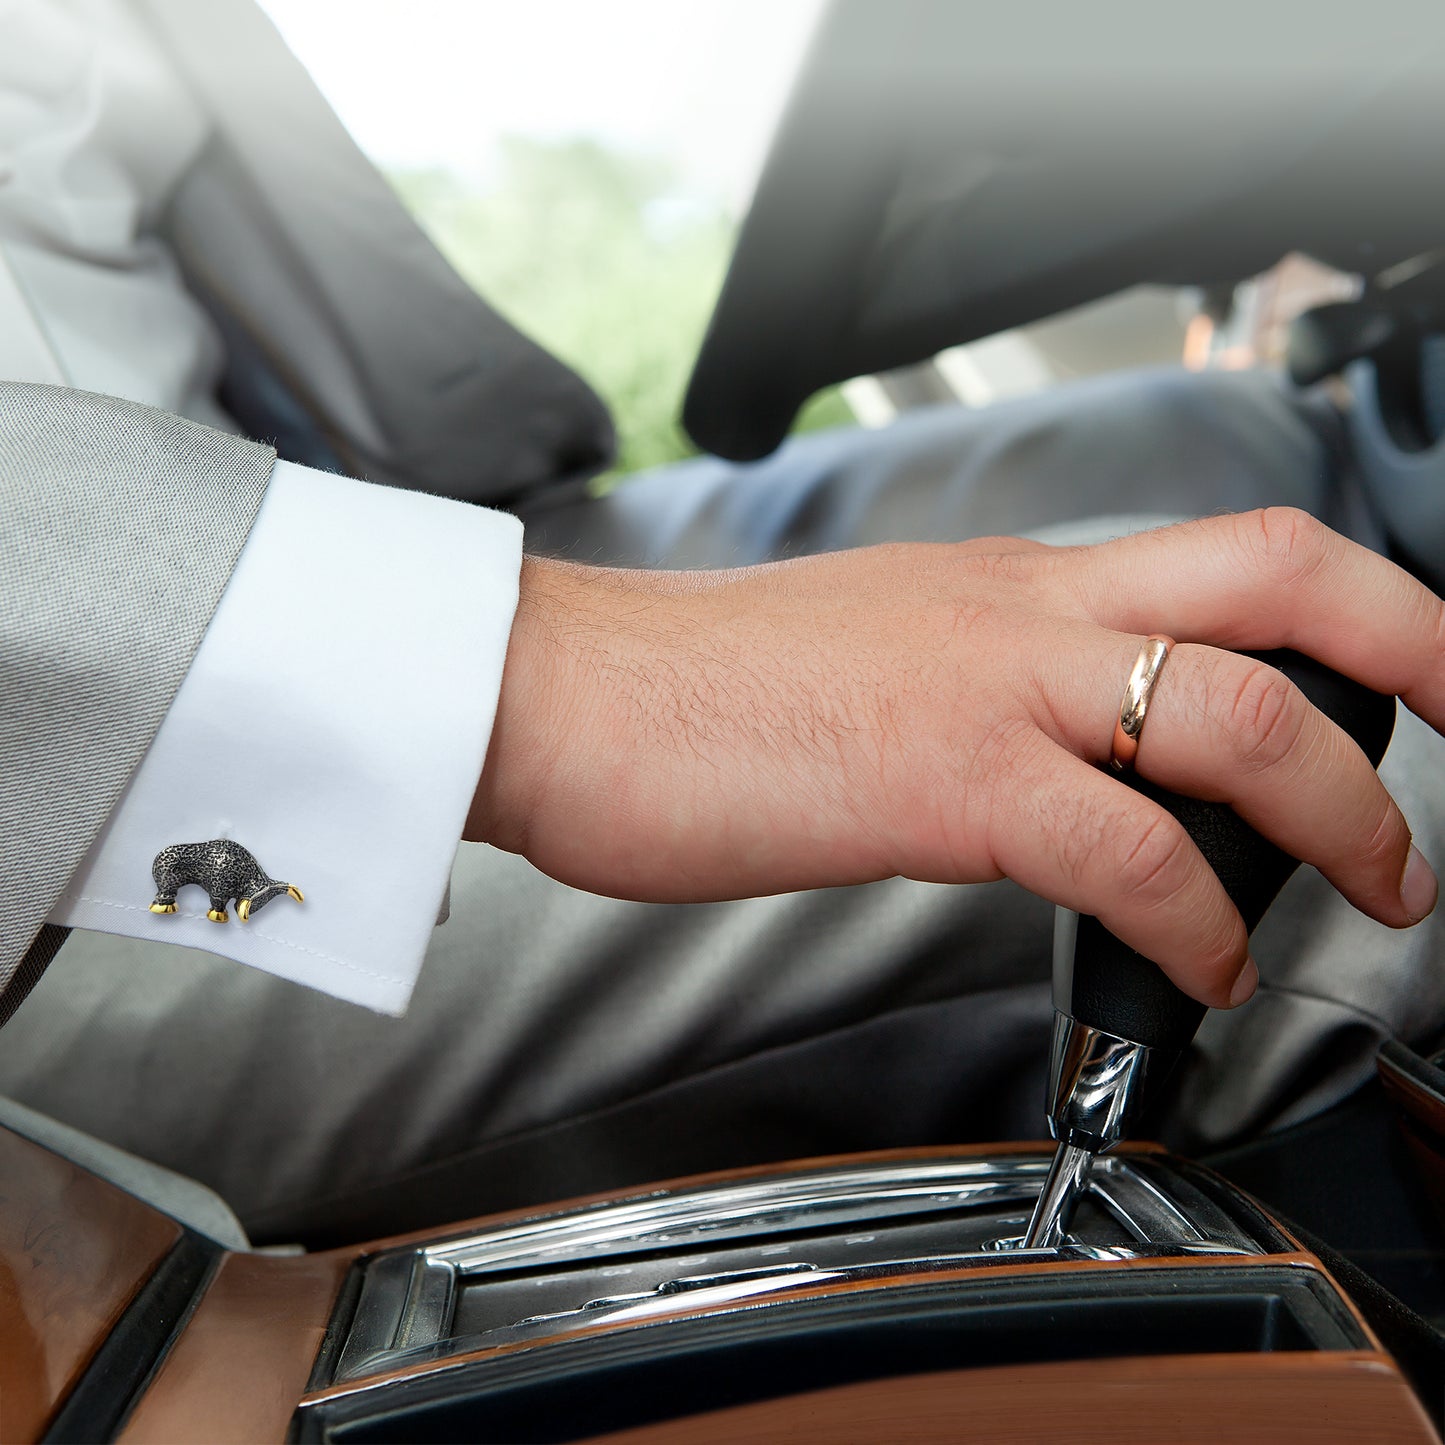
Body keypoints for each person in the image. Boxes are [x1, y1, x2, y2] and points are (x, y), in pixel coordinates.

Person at [3, 0, 1444, 1247]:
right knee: (1320, 799)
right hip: (74, 882)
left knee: (1244, 464)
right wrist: (535, 679)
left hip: (326, 527)